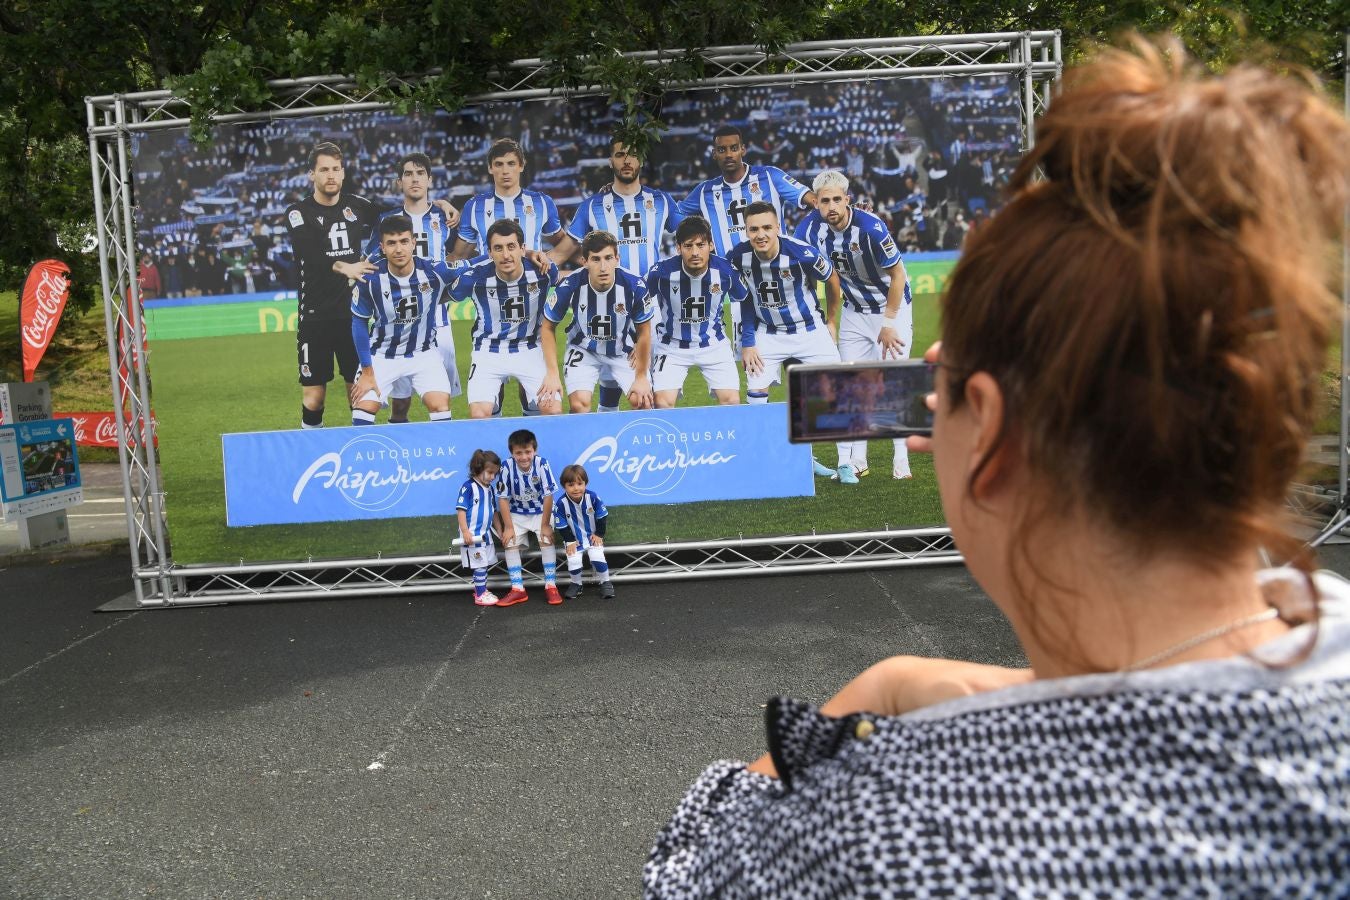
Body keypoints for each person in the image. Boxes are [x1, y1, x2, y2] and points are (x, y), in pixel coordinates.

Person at [644, 38, 1350, 896]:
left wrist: (884, 688)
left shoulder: (905, 830)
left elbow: (691, 870)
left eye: (939, 394)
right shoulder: (1323, 634)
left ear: (993, 439)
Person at [796, 169, 915, 480]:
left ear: (847, 200)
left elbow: (899, 275)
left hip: (890, 310)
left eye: (838, 199)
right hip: (853, 312)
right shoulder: (809, 230)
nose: (832, 206)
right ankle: (858, 460)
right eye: (825, 201)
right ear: (816, 203)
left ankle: (901, 460)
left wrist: (889, 323)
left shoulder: (871, 228)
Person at [549, 139, 681, 413]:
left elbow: (691, 232)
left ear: (641, 160)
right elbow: (565, 251)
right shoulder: (592, 206)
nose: (627, 160)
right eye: (620, 155)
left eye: (633, 154)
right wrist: (536, 263)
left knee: (647, 393)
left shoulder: (661, 200)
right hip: (605, 304)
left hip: (648, 305)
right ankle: (605, 429)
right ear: (611, 161)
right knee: (608, 380)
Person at [730, 201, 854, 482]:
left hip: (810, 330)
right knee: (755, 391)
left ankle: (845, 463)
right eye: (753, 229)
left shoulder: (802, 253)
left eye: (766, 228)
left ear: (777, 228)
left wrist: (831, 320)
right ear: (746, 230)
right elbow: (744, 298)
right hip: (768, 333)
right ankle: (774, 460)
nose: (760, 234)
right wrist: (747, 342)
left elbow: (832, 278)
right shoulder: (738, 256)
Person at [679, 125, 816, 352]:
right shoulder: (704, 191)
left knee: (796, 353)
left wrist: (852, 209)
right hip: (738, 289)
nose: (729, 154)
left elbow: (813, 199)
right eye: (722, 150)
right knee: (751, 366)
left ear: (743, 149)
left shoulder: (769, 176)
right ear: (714, 154)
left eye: (734, 148)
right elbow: (669, 215)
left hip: (780, 282)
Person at [284, 142, 379, 429]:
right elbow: (309, 255)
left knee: (359, 393)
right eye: (324, 169)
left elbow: (392, 220)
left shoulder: (358, 206)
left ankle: (360, 458)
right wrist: (346, 266)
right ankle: (312, 452)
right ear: (311, 174)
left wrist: (438, 204)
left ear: (343, 173)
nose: (330, 175)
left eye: (336, 169)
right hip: (314, 317)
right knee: (315, 398)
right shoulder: (297, 212)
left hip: (354, 318)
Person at [364, 152, 464, 424]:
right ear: (399, 182)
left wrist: (443, 205)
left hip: (439, 318)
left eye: (420, 173)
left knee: (441, 402)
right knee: (400, 404)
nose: (415, 179)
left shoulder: (447, 219)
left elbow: (456, 258)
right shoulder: (388, 221)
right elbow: (370, 261)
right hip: (398, 321)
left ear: (430, 179)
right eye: (408, 174)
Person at [347, 215, 462, 426]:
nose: (398, 249)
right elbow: (359, 324)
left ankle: (440, 459)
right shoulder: (370, 279)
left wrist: (527, 252)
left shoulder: (434, 271)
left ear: (413, 243)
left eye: (403, 241)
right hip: (381, 355)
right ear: (381, 247)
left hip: (423, 354)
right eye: (391, 243)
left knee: (441, 408)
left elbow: (474, 265)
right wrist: (366, 371)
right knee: (362, 411)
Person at [446, 218, 563, 418]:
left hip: (531, 347)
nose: (506, 255)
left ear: (522, 248)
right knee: (480, 416)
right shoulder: (473, 277)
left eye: (511, 247)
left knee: (552, 410)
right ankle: (495, 417)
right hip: (488, 349)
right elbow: (445, 292)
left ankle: (531, 423)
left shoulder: (544, 271)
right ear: (489, 252)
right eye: (498, 248)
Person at [541, 230, 655, 413]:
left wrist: (641, 376)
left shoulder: (635, 286)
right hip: (583, 349)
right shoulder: (570, 284)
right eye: (595, 259)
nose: (603, 267)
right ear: (584, 261)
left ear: (617, 258)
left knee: (643, 402)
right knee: (579, 406)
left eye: (608, 258)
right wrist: (552, 373)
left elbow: (644, 331)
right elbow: (547, 327)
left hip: (621, 350)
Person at [644, 215, 746, 407]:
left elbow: (744, 300)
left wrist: (748, 340)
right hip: (671, 346)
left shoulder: (726, 272)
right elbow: (637, 303)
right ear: (679, 248)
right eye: (689, 246)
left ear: (711, 245)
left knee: (732, 402)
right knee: (662, 404)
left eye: (701, 245)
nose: (695, 252)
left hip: (714, 344)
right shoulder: (660, 273)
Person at [453, 138, 564, 259]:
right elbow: (458, 257)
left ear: (521, 166)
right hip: (487, 277)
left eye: (511, 164)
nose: (505, 171)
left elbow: (564, 248)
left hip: (533, 278)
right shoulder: (474, 206)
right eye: (499, 164)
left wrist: (546, 264)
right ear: (490, 168)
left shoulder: (542, 202)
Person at [494, 428, 563, 607]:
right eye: (518, 453)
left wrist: (546, 524)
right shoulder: (506, 466)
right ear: (512, 453)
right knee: (509, 542)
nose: (524, 457)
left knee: (546, 539)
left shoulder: (542, 464)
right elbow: (502, 498)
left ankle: (550, 585)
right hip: (517, 513)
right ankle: (518, 589)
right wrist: (508, 526)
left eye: (528, 452)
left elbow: (549, 496)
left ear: (535, 450)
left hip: (541, 512)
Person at [552, 464, 613, 600]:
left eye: (580, 484)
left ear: (586, 483)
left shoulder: (593, 497)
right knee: (573, 560)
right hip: (574, 539)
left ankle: (605, 581)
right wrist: (570, 541)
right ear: (564, 486)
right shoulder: (561, 503)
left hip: (592, 536)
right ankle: (576, 584)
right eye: (571, 485)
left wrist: (599, 535)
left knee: (597, 557)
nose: (576, 488)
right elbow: (561, 526)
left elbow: (602, 517)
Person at [456, 448, 504, 608]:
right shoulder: (468, 487)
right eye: (490, 472)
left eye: (495, 474)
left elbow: (494, 512)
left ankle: (481, 589)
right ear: (478, 469)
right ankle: (480, 593)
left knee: (485, 564)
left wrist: (500, 531)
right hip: (473, 536)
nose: (493, 477)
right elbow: (461, 509)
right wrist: (465, 531)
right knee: (480, 564)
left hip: (486, 535)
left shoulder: (490, 489)